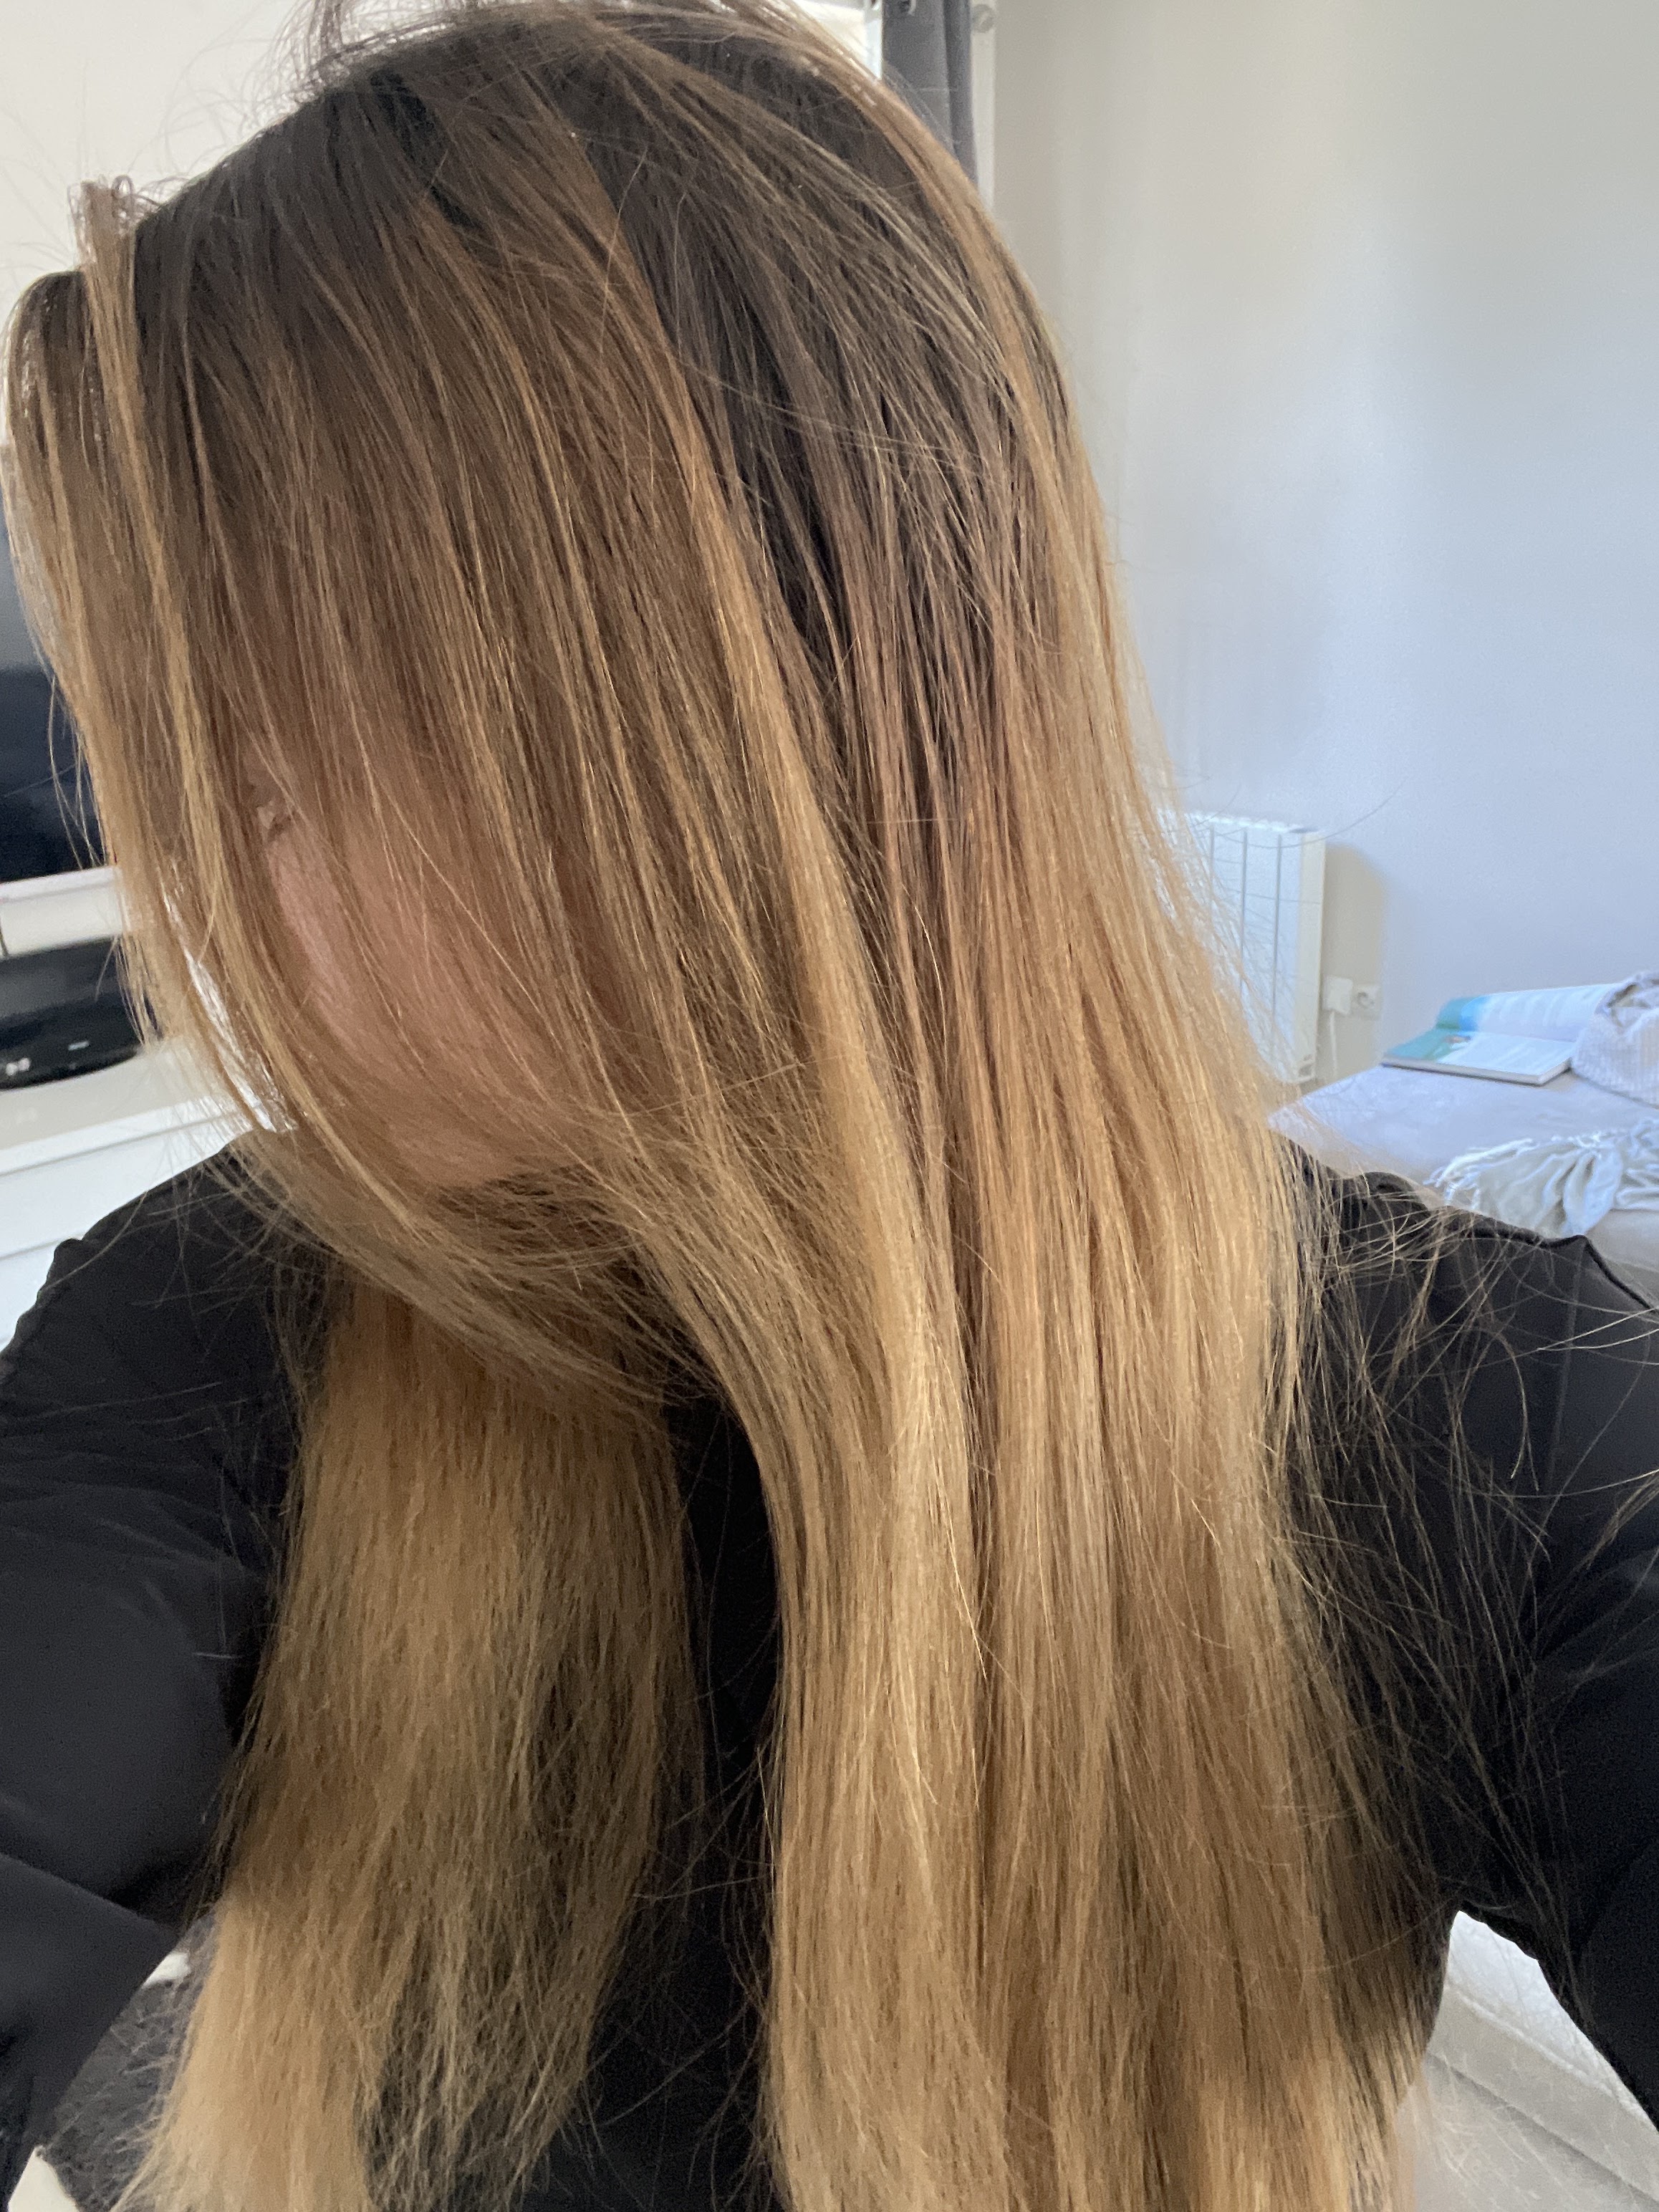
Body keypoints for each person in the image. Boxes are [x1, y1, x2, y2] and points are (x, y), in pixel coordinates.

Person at [1, 4, 1655, 2210]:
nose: (223, 927)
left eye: (282, 786)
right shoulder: (211, 1343)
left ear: (726, 742)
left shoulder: (1489, 1426)